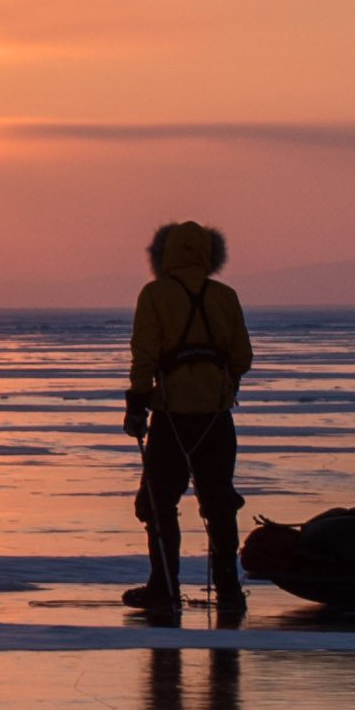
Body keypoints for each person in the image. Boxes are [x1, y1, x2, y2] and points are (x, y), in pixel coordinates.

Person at [123, 216, 254, 617]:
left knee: (157, 502)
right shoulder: (225, 296)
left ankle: (164, 587)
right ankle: (229, 590)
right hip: (216, 416)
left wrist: (136, 405)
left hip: (171, 417)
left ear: (164, 255)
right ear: (210, 255)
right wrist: (223, 383)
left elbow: (144, 353)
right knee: (218, 502)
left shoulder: (155, 294)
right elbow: (243, 356)